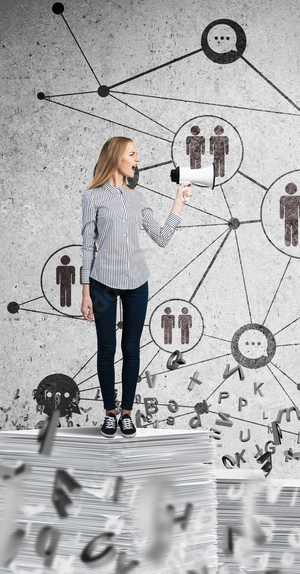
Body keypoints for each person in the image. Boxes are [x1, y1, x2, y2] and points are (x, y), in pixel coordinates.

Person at [80, 136, 192, 439]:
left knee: (131, 349)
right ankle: (109, 413)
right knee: (106, 350)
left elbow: (162, 236)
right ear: (117, 157)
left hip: (136, 283)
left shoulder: (138, 198)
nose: (137, 159)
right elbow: (87, 246)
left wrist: (178, 201)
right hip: (102, 283)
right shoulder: (92, 197)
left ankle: (126, 413)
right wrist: (85, 289)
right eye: (133, 154)